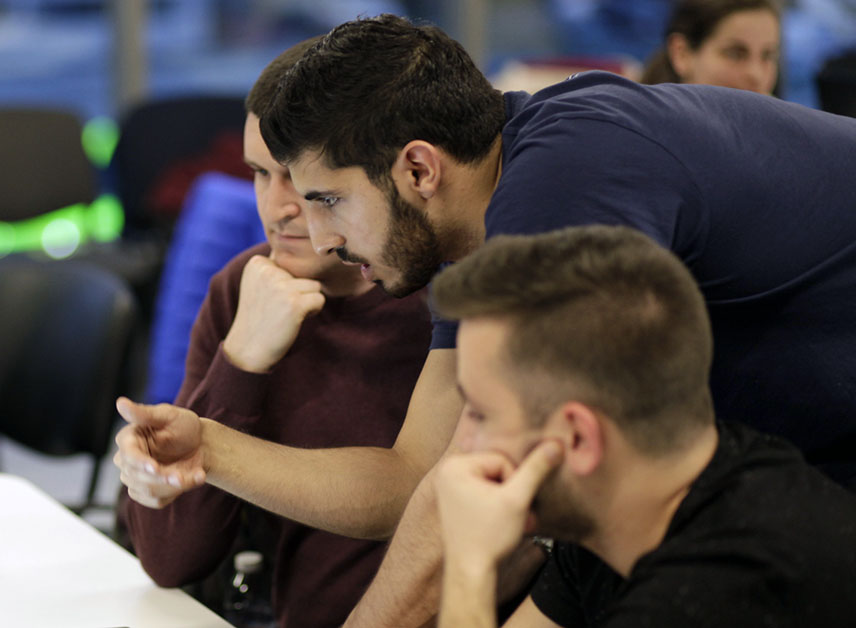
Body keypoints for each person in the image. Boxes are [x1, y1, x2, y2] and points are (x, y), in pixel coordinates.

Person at [119, 13, 856, 624]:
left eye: (327, 199)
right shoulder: (504, 209)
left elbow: (456, 486)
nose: (319, 239)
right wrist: (213, 448)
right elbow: (415, 474)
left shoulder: (564, 184)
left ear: (417, 170)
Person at [117, 37, 432, 628]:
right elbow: (169, 559)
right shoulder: (244, 287)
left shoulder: (441, 299)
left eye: (298, 177)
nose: (279, 207)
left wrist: (209, 443)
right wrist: (240, 361)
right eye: (260, 174)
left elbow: (411, 504)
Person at [430, 224, 856, 627]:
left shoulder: (712, 599)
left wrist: (470, 568)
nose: (464, 445)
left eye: (480, 413)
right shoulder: (639, 508)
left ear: (577, 439)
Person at [640, 0, 781, 95]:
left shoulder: (782, 134)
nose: (755, 75)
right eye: (735, 54)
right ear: (681, 53)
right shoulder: (634, 132)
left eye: (768, 56)